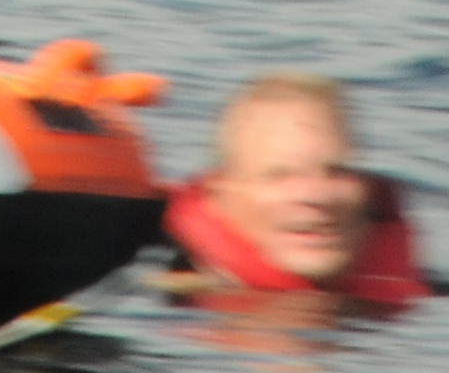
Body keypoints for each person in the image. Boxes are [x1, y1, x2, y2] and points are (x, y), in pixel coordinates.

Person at [160, 71, 431, 307]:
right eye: (279, 176)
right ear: (220, 198)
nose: (316, 196)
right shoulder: (164, 306)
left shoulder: (418, 305)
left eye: (335, 171)